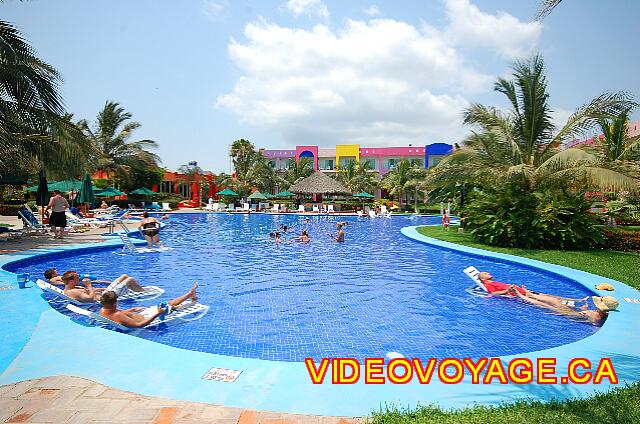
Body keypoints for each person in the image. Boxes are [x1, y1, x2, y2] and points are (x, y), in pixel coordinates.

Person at [99, 282, 199, 328]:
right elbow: (139, 325)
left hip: (143, 314)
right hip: (148, 318)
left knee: (165, 304)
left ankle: (189, 294)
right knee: (169, 307)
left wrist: (132, 309)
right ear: (114, 304)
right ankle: (192, 299)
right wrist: (157, 314)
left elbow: (120, 315)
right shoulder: (117, 315)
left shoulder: (103, 310)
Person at [513, 289, 618, 325]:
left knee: (544, 305)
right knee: (555, 300)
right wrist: (584, 310)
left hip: (569, 314)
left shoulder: (596, 316)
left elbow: (592, 321)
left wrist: (586, 315)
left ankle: (522, 296)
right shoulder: (601, 313)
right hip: (574, 312)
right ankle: (532, 295)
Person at [477, 271, 588, 305]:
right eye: (486, 273)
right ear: (483, 279)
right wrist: (508, 290)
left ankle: (578, 301)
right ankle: (576, 306)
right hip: (519, 295)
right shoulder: (488, 285)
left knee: (548, 296)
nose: (489, 273)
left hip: (523, 291)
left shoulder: (493, 281)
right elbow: (494, 294)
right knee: (550, 300)